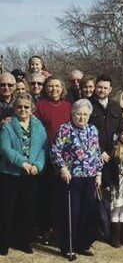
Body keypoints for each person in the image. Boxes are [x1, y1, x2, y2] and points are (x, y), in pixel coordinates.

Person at [50, 99, 103, 259]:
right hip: (71, 177)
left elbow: (97, 152)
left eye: (85, 114)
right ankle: (68, 246)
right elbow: (55, 151)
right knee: (71, 212)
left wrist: (99, 173)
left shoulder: (93, 129)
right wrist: (62, 168)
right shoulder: (65, 129)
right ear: (72, 114)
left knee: (86, 211)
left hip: (90, 176)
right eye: (78, 114)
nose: (82, 117)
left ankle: (82, 244)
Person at [0, 93, 48, 255]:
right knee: (7, 208)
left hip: (31, 174)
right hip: (10, 173)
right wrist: (22, 162)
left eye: (26, 107)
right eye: (19, 106)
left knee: (27, 209)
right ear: (14, 108)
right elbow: (5, 149)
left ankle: (23, 241)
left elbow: (43, 148)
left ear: (32, 108)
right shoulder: (8, 125)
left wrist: (38, 165)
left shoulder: (39, 126)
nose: (23, 109)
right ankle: (3, 242)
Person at [34, 76, 71, 245]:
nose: (54, 89)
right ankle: (45, 229)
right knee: (46, 194)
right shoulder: (40, 106)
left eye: (57, 86)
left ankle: (59, 229)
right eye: (50, 86)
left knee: (61, 194)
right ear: (45, 89)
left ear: (62, 88)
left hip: (65, 157)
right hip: (47, 154)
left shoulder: (67, 106)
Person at [89, 75, 123, 240]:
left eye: (105, 88)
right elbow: (86, 131)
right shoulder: (88, 104)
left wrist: (110, 152)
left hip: (112, 158)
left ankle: (111, 231)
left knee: (110, 194)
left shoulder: (116, 107)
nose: (102, 90)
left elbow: (120, 131)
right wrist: (100, 151)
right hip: (94, 157)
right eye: (99, 87)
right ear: (95, 87)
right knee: (96, 194)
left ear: (110, 90)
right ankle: (97, 230)